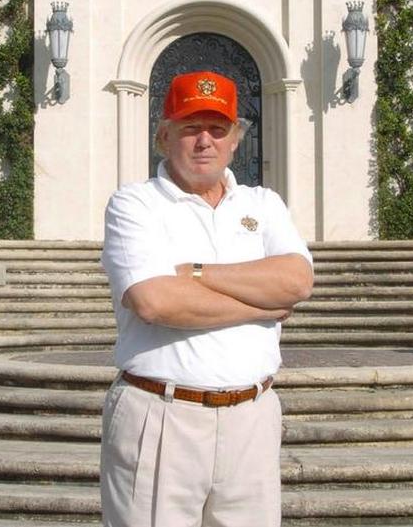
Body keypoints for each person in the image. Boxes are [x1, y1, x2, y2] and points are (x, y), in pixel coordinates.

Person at [99, 70, 314, 527]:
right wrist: (262, 305)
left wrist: (196, 272)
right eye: (190, 127)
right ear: (163, 136)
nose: (204, 141)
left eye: (217, 128)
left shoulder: (263, 204)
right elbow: (155, 301)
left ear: (235, 140)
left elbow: (296, 281)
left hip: (252, 419)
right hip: (161, 418)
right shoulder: (134, 205)